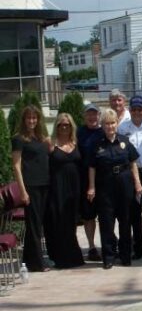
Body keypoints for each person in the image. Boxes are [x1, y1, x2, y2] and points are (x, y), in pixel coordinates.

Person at [87, 108, 142, 269]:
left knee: (125, 221)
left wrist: (138, 183)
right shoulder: (96, 144)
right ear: (102, 125)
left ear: (117, 124)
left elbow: (133, 163)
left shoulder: (124, 140)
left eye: (112, 123)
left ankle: (125, 255)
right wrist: (91, 187)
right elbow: (92, 167)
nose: (110, 126)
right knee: (106, 223)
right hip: (105, 186)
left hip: (125, 184)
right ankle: (109, 256)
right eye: (106, 124)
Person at [11, 105, 52, 272]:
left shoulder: (41, 137)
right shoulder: (18, 139)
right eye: (29, 118)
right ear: (24, 120)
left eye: (34, 118)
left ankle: (28, 259)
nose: (32, 121)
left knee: (39, 223)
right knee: (34, 225)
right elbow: (16, 165)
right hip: (31, 186)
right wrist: (23, 191)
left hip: (45, 184)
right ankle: (37, 263)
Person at [44, 113, 85, 269]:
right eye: (61, 124)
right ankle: (60, 257)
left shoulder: (75, 142)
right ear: (56, 126)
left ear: (71, 126)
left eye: (67, 125)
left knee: (71, 222)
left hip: (74, 188)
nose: (64, 127)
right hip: (56, 187)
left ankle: (72, 255)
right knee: (58, 221)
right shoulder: (50, 143)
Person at [118, 95, 142, 259]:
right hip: (132, 175)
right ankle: (138, 247)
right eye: (134, 109)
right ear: (129, 110)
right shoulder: (122, 128)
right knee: (135, 214)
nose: (137, 112)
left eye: (140, 109)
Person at [76, 103, 103, 261]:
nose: (92, 117)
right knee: (89, 216)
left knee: (107, 215)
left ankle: (107, 245)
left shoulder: (105, 131)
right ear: (84, 116)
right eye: (89, 114)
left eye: (95, 114)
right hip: (85, 181)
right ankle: (92, 246)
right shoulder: (78, 133)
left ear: (99, 116)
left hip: (104, 179)